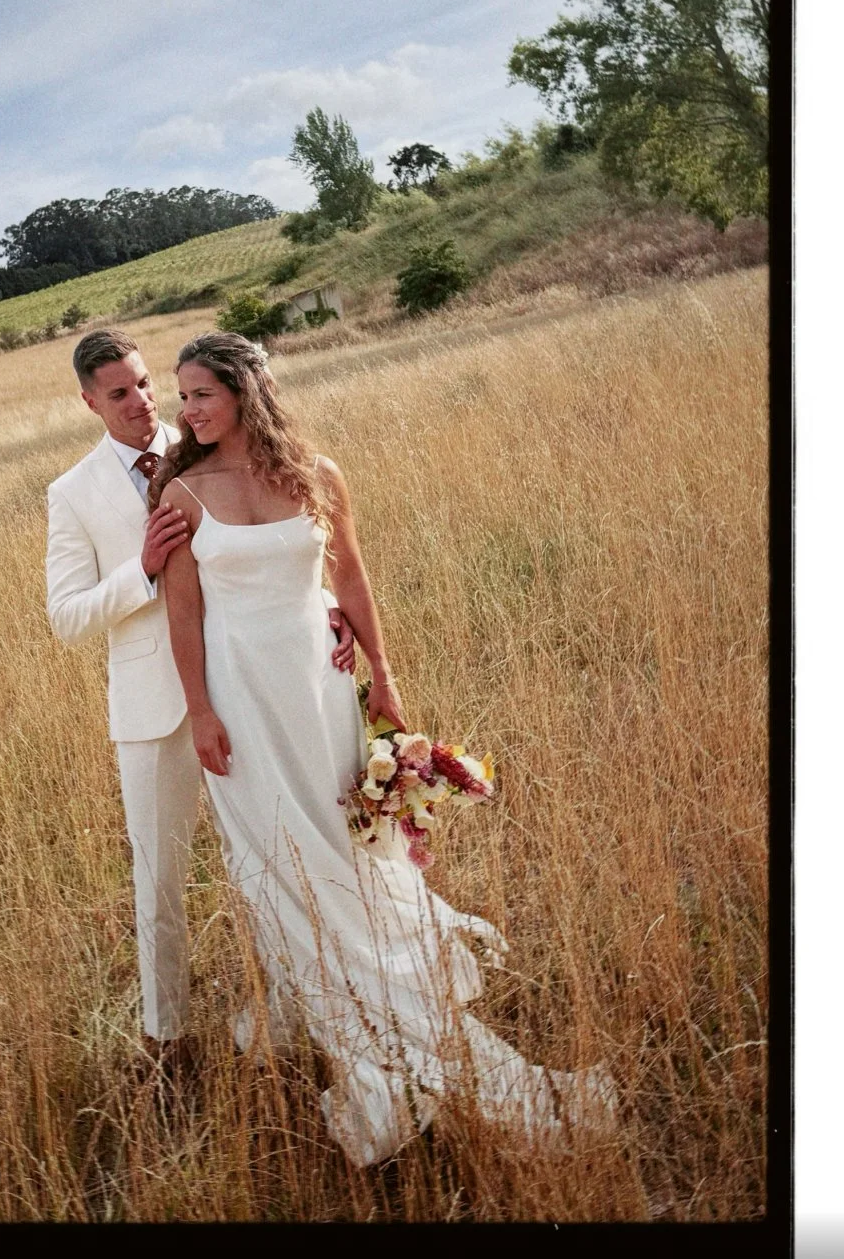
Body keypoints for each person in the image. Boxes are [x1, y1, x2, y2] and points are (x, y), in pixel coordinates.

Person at [152, 331, 618, 1166]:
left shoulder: (316, 475)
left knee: (350, 846)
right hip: (242, 701)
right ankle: (348, 1024)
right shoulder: (181, 489)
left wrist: (382, 673)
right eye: (181, 395)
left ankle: (396, 1003)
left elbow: (351, 575)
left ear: (244, 390)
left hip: (319, 688)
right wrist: (200, 710)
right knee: (283, 859)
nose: (183, 410)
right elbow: (182, 612)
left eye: (198, 393)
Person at [44, 328, 355, 1071]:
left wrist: (319, 607)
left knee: (274, 860)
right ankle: (167, 1042)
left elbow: (255, 548)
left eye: (145, 383)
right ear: (89, 401)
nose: (141, 402)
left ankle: (296, 1011)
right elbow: (66, 617)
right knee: (159, 883)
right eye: (118, 392)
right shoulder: (73, 493)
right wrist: (142, 570)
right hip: (156, 710)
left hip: (250, 693)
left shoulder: (205, 443)